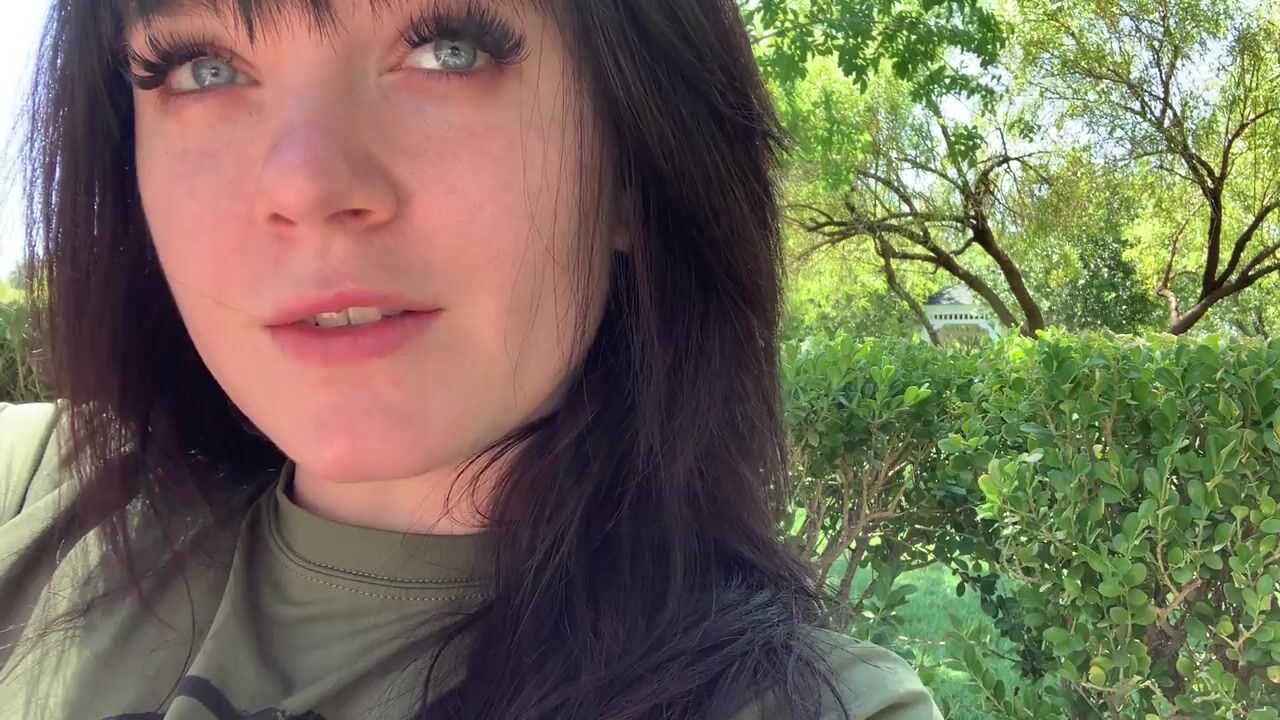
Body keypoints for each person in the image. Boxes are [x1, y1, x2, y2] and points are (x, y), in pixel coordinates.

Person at [0, 1, 943, 718]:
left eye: (449, 49)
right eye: (202, 68)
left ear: (634, 162)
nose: (306, 184)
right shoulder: (46, 486)